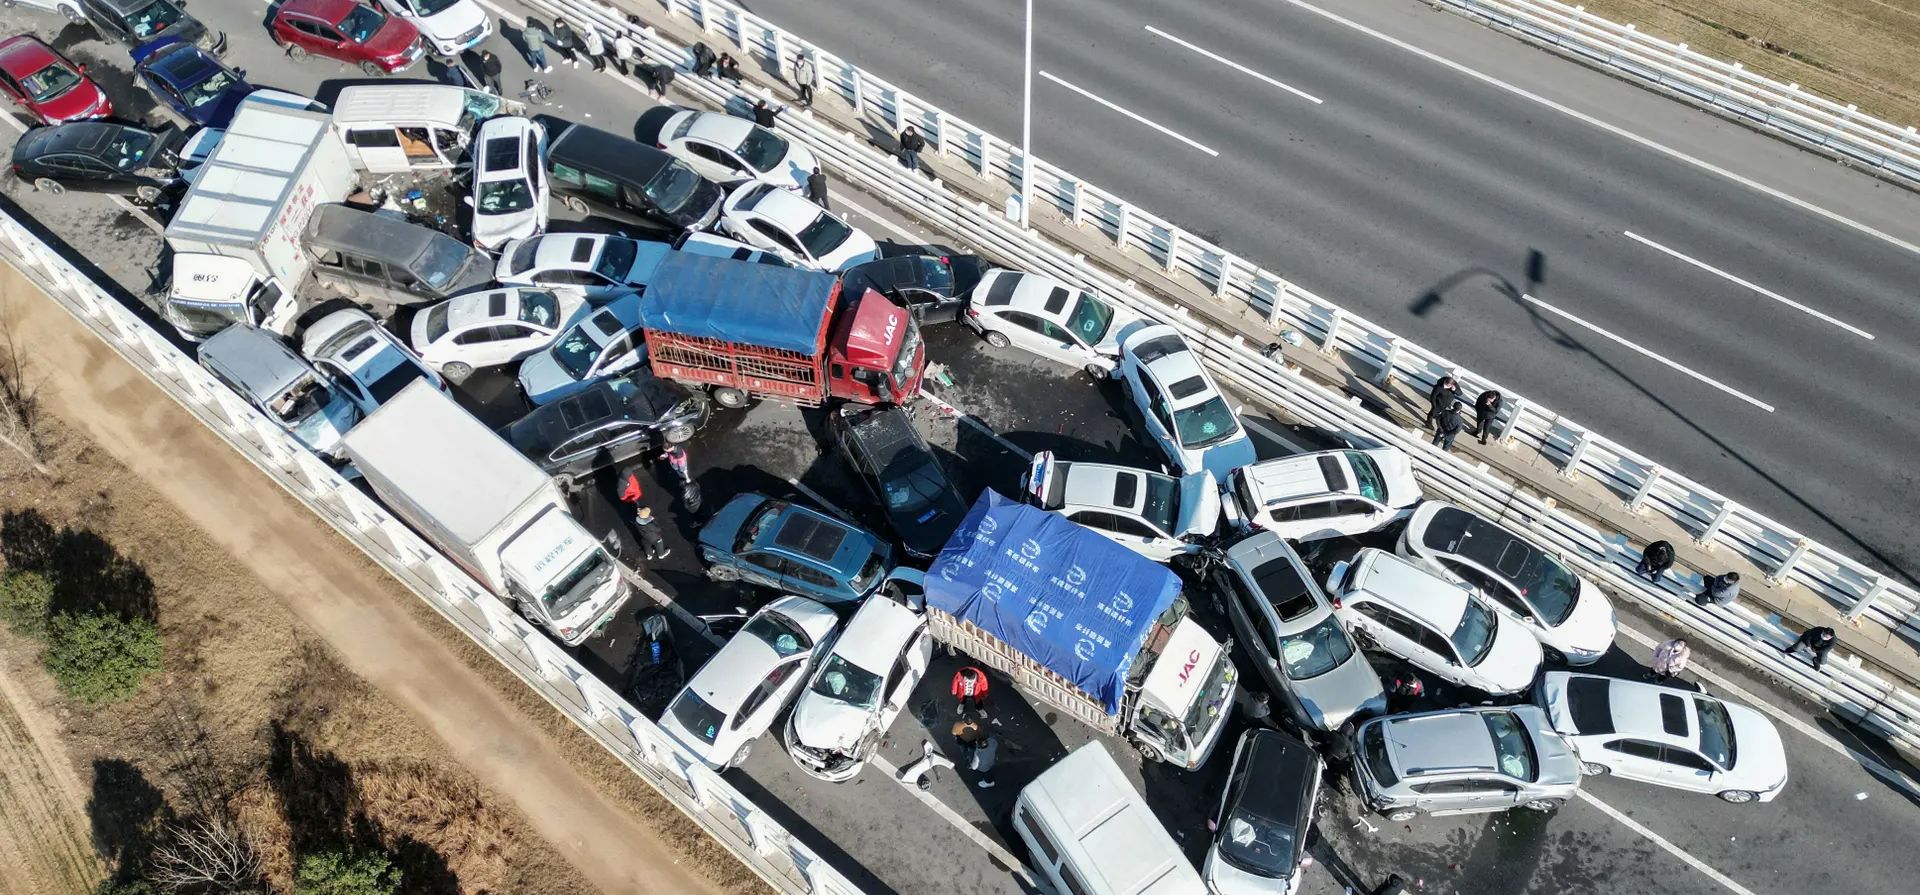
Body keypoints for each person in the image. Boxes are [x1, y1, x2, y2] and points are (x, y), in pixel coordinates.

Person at [954, 721, 998, 789]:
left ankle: (989, 782)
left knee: (986, 774)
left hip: (984, 768)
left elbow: (974, 766)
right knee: (989, 769)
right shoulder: (993, 742)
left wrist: (970, 766)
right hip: (992, 760)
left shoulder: (978, 754)